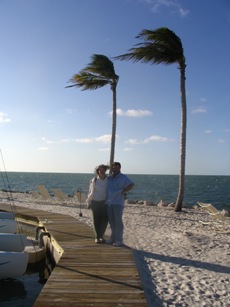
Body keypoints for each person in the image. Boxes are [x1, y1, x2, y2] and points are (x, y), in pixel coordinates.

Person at [106, 162, 134, 247]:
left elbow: (132, 184)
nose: (115, 169)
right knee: (111, 222)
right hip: (109, 202)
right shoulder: (109, 178)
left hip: (118, 203)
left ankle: (119, 240)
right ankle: (112, 238)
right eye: (114, 168)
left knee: (118, 222)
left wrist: (124, 191)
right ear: (112, 168)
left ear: (120, 168)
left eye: (117, 168)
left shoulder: (123, 177)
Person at [86, 164, 109, 243]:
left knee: (104, 221)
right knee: (96, 220)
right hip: (95, 202)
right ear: (97, 171)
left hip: (105, 203)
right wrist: (89, 202)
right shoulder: (94, 180)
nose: (101, 171)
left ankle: (101, 236)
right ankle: (97, 237)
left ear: (105, 171)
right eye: (100, 170)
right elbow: (90, 192)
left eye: (103, 170)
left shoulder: (108, 179)